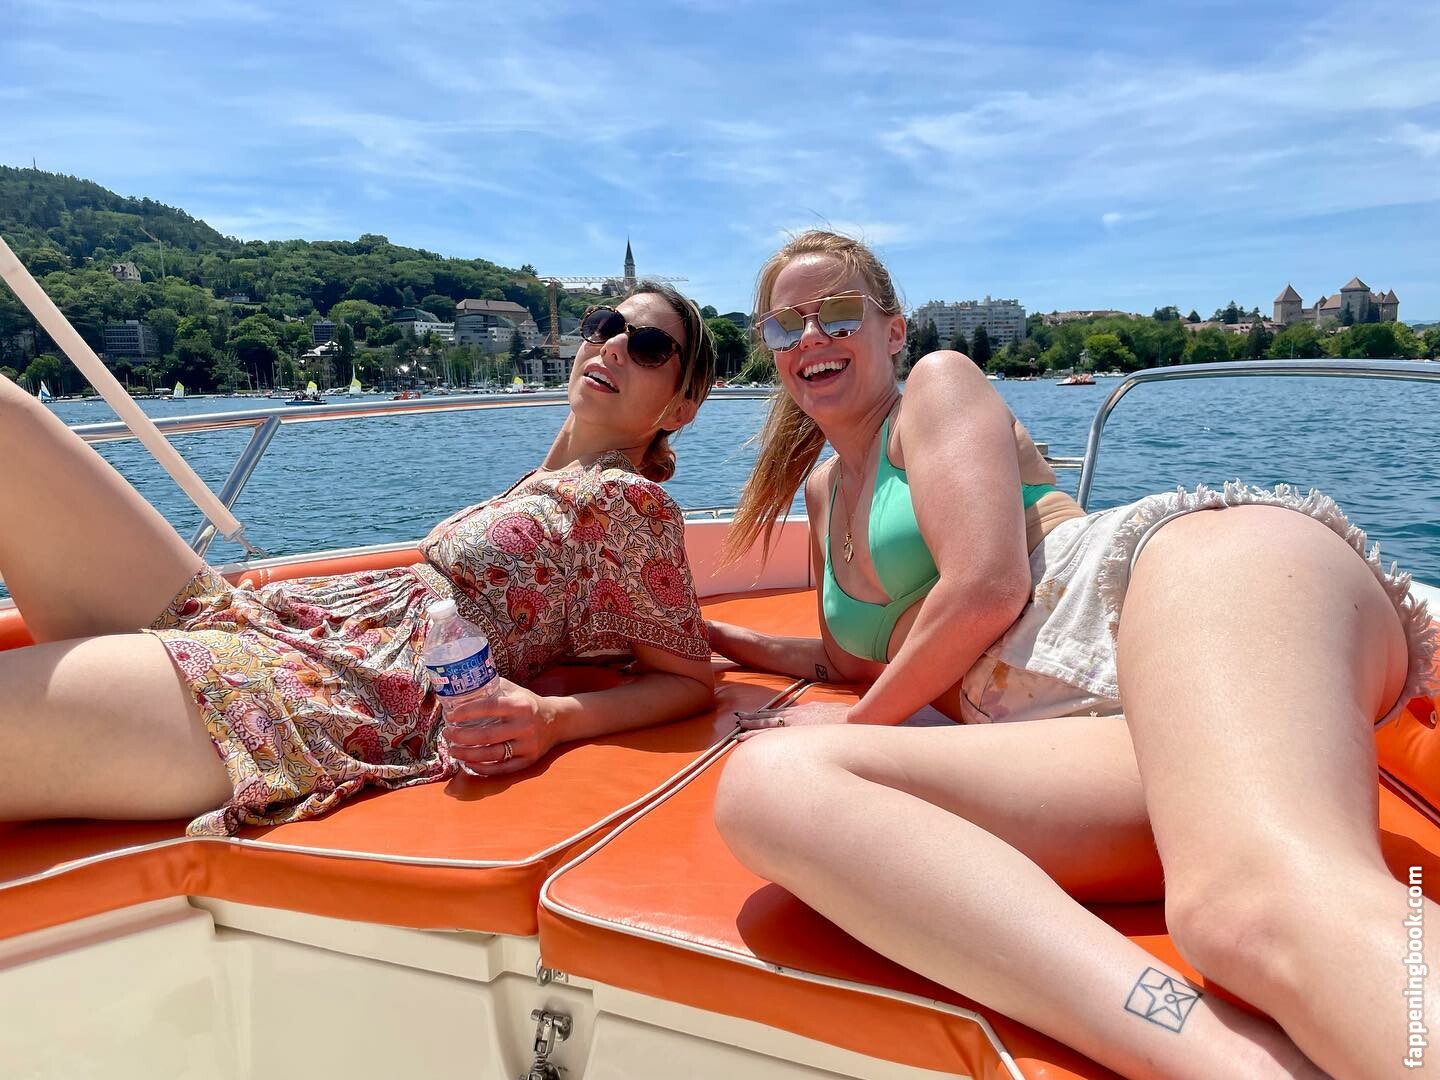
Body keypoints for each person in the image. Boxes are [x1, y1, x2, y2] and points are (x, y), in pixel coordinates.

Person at [708, 232, 1438, 1080]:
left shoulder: (937, 387)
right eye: (784, 326)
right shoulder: (823, 492)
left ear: (893, 330)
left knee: (1266, 911)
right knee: (768, 787)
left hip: (1173, 593)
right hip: (1089, 731)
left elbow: (984, 589)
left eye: (836, 314)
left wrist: (855, 726)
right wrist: (717, 641)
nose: (811, 337)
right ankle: (1229, 1064)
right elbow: (849, 661)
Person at [0, 282, 717, 838]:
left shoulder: (629, 499)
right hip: (286, 626)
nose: (613, 346)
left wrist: (553, 716)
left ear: (682, 408)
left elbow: (686, 681)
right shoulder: (547, 483)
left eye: (650, 347)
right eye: (605, 325)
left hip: (331, 693)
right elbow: (641, 621)